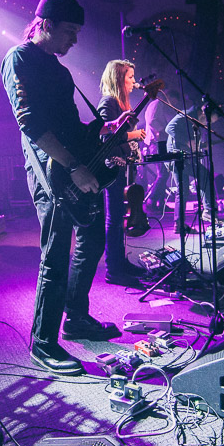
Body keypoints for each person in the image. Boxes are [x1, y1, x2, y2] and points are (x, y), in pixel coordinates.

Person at [1, 0, 131, 375]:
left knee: (92, 241)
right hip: (51, 172)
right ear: (45, 24)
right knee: (55, 255)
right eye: (70, 31)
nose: (74, 39)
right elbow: (30, 123)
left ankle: (75, 318)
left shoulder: (60, 71)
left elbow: (73, 128)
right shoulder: (19, 58)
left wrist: (106, 130)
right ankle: (43, 343)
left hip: (76, 167)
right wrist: (74, 166)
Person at [97, 59, 148, 286]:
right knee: (114, 218)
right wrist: (134, 135)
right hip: (112, 167)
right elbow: (105, 135)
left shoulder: (121, 102)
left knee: (120, 218)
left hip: (124, 165)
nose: (134, 81)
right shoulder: (108, 102)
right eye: (130, 77)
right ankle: (113, 269)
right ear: (118, 79)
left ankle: (120, 262)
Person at [165, 105, 215, 234]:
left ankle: (179, 224)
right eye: (209, 120)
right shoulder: (187, 115)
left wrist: (200, 145)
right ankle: (207, 211)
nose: (207, 124)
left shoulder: (194, 119)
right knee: (201, 177)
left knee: (184, 189)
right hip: (176, 156)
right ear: (203, 114)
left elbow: (192, 144)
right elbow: (169, 128)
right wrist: (187, 142)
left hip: (184, 156)